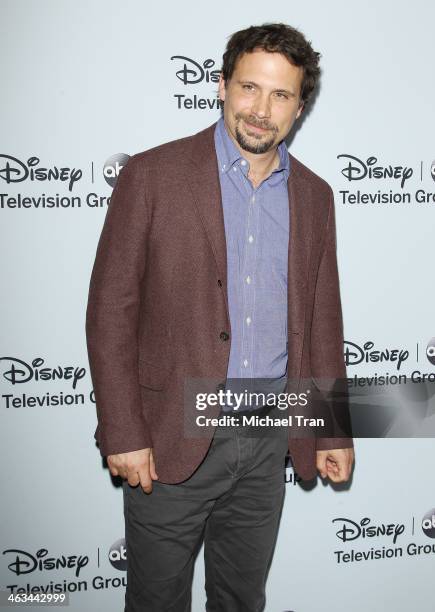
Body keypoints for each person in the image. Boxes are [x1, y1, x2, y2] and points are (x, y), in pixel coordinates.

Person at [86, 22, 354, 612]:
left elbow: (323, 318)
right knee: (156, 602)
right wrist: (124, 432)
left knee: (241, 599)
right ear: (222, 86)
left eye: (281, 95)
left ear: (299, 106)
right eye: (249, 88)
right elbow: (110, 310)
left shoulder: (315, 195)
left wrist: (332, 428)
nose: (262, 110)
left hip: (268, 435)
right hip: (170, 437)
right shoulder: (152, 176)